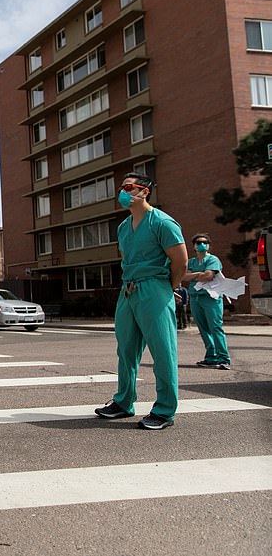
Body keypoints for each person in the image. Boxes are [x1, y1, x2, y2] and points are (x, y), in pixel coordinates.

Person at [95, 172, 187, 430]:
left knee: (162, 351)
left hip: (154, 288)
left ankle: (164, 410)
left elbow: (180, 261)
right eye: (121, 188)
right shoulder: (124, 227)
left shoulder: (163, 222)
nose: (123, 192)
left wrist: (169, 288)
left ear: (145, 191)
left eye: (129, 187)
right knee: (125, 350)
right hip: (128, 290)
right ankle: (124, 402)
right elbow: (127, 259)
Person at [183, 233, 230, 369]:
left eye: (204, 242)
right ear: (194, 246)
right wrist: (199, 275)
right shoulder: (191, 261)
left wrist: (193, 275)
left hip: (211, 298)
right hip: (195, 297)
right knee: (203, 328)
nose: (201, 244)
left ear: (209, 245)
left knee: (215, 327)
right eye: (198, 242)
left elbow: (208, 276)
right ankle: (211, 357)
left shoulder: (213, 260)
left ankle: (224, 358)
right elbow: (182, 276)